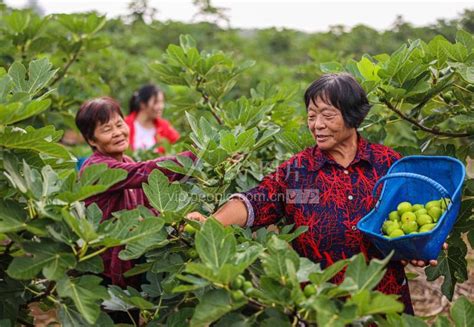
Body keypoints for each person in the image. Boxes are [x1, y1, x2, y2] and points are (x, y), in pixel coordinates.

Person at [187, 73, 444, 315]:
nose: (317, 125)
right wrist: (212, 224)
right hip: (321, 309)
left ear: (352, 115)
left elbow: (409, 220)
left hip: (385, 304)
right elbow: (257, 201)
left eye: (327, 115)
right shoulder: (299, 172)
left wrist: (418, 248)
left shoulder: (387, 164)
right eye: (311, 116)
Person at [75, 97, 194, 323]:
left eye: (119, 124)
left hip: (128, 266)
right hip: (103, 270)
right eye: (106, 129)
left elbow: (148, 208)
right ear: (92, 139)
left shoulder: (126, 161)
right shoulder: (97, 167)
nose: (118, 132)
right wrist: (193, 159)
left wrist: (178, 221)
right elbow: (146, 171)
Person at [125, 84, 180, 153]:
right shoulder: (125, 124)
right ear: (142, 104)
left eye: (162, 102)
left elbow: (180, 144)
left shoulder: (164, 126)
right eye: (156, 102)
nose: (161, 106)